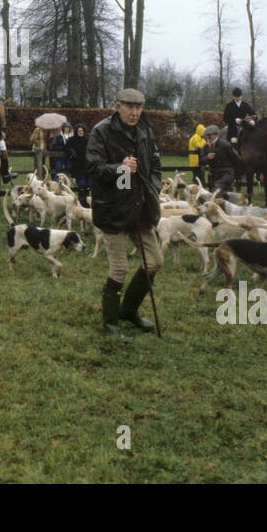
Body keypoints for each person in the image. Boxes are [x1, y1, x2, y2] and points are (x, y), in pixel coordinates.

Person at [87, 88, 163, 343]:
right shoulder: (102, 131)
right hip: (112, 208)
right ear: (117, 106)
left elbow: (155, 161)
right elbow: (93, 167)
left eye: (139, 107)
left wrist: (154, 185)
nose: (134, 112)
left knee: (154, 261)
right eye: (129, 107)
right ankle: (110, 324)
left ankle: (128, 310)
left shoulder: (145, 130)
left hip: (140, 207)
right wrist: (119, 170)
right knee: (119, 268)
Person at [202, 124, 240, 193]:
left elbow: (236, 159)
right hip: (213, 176)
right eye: (206, 135)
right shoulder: (206, 147)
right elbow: (201, 161)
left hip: (225, 174)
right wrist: (207, 158)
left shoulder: (225, 145)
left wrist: (235, 174)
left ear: (216, 134)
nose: (208, 137)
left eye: (210, 135)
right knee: (214, 195)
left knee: (218, 192)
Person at [66, 123, 91, 206]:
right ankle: (80, 202)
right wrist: (71, 150)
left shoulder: (87, 140)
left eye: (82, 130)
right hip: (78, 166)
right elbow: (65, 148)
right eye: (79, 131)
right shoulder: (72, 140)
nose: (81, 132)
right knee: (81, 184)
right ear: (76, 131)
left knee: (88, 185)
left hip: (87, 165)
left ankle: (87, 202)